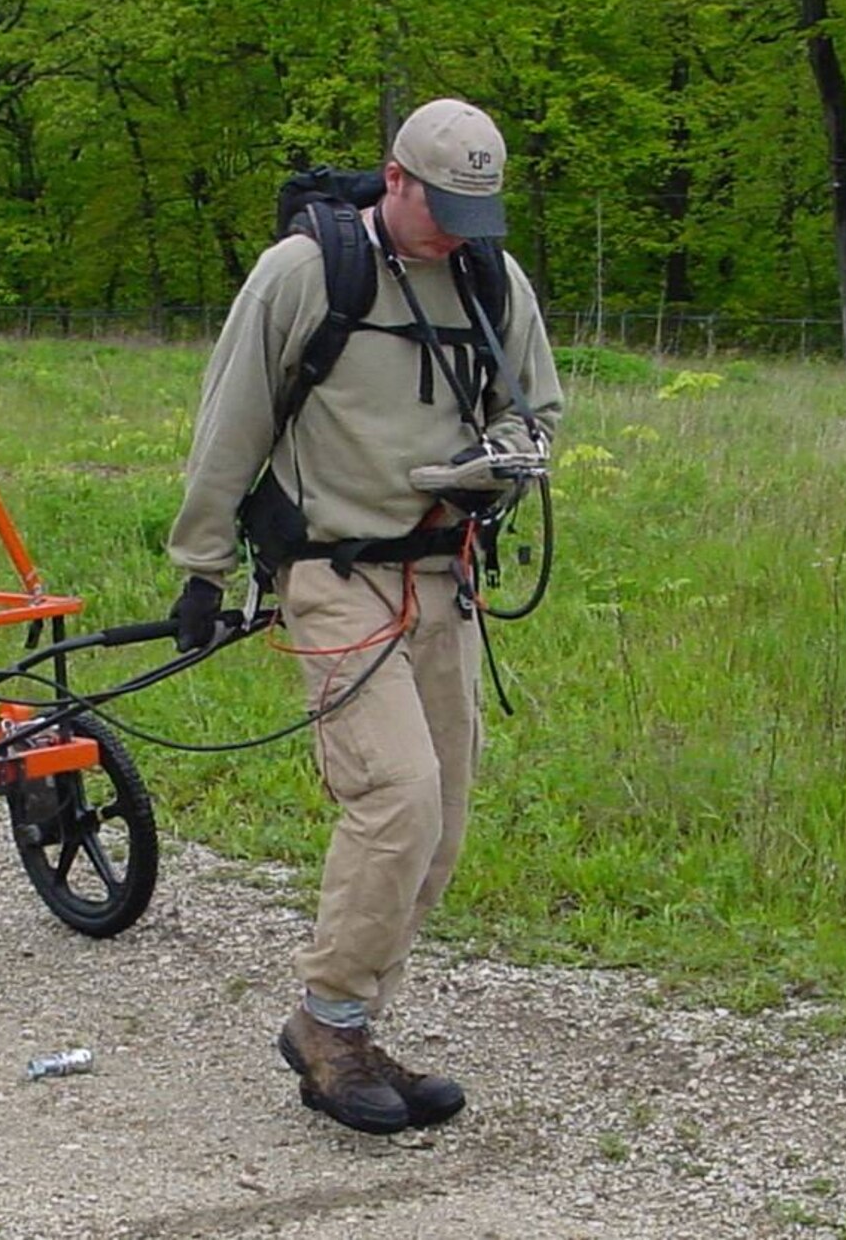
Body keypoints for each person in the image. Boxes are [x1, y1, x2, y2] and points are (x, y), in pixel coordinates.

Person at [165, 97, 563, 1136]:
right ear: (394, 180)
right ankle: (326, 1029)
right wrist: (201, 564)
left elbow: (536, 403)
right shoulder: (304, 274)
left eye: (475, 215)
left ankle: (351, 1018)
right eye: (440, 209)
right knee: (396, 794)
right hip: (333, 573)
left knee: (443, 819)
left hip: (444, 574)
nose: (455, 234)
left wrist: (509, 455)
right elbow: (231, 417)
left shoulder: (488, 275)